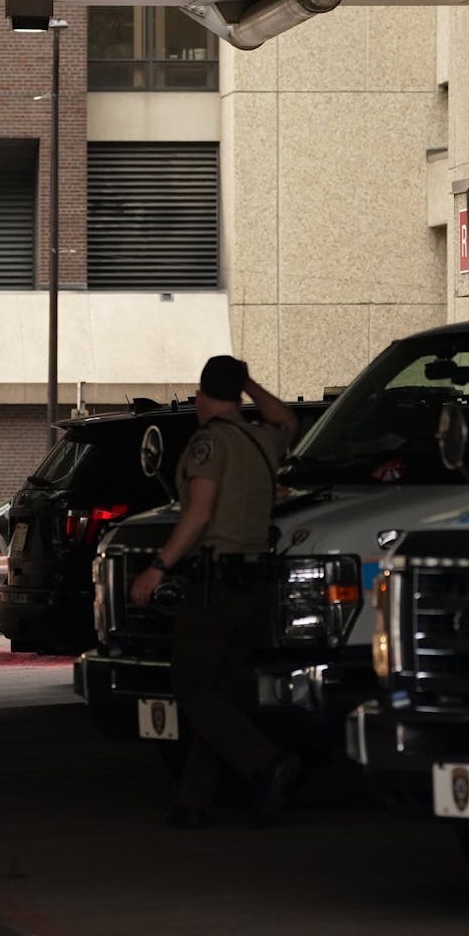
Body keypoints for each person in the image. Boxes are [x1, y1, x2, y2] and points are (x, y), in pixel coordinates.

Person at [130, 355, 302, 830]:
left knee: (190, 684)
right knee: (220, 691)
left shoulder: (211, 443)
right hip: (256, 582)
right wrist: (249, 383)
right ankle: (193, 802)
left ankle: (265, 761)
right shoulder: (262, 438)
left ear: (202, 396)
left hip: (218, 581)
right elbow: (287, 419)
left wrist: (158, 568)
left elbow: (199, 512)